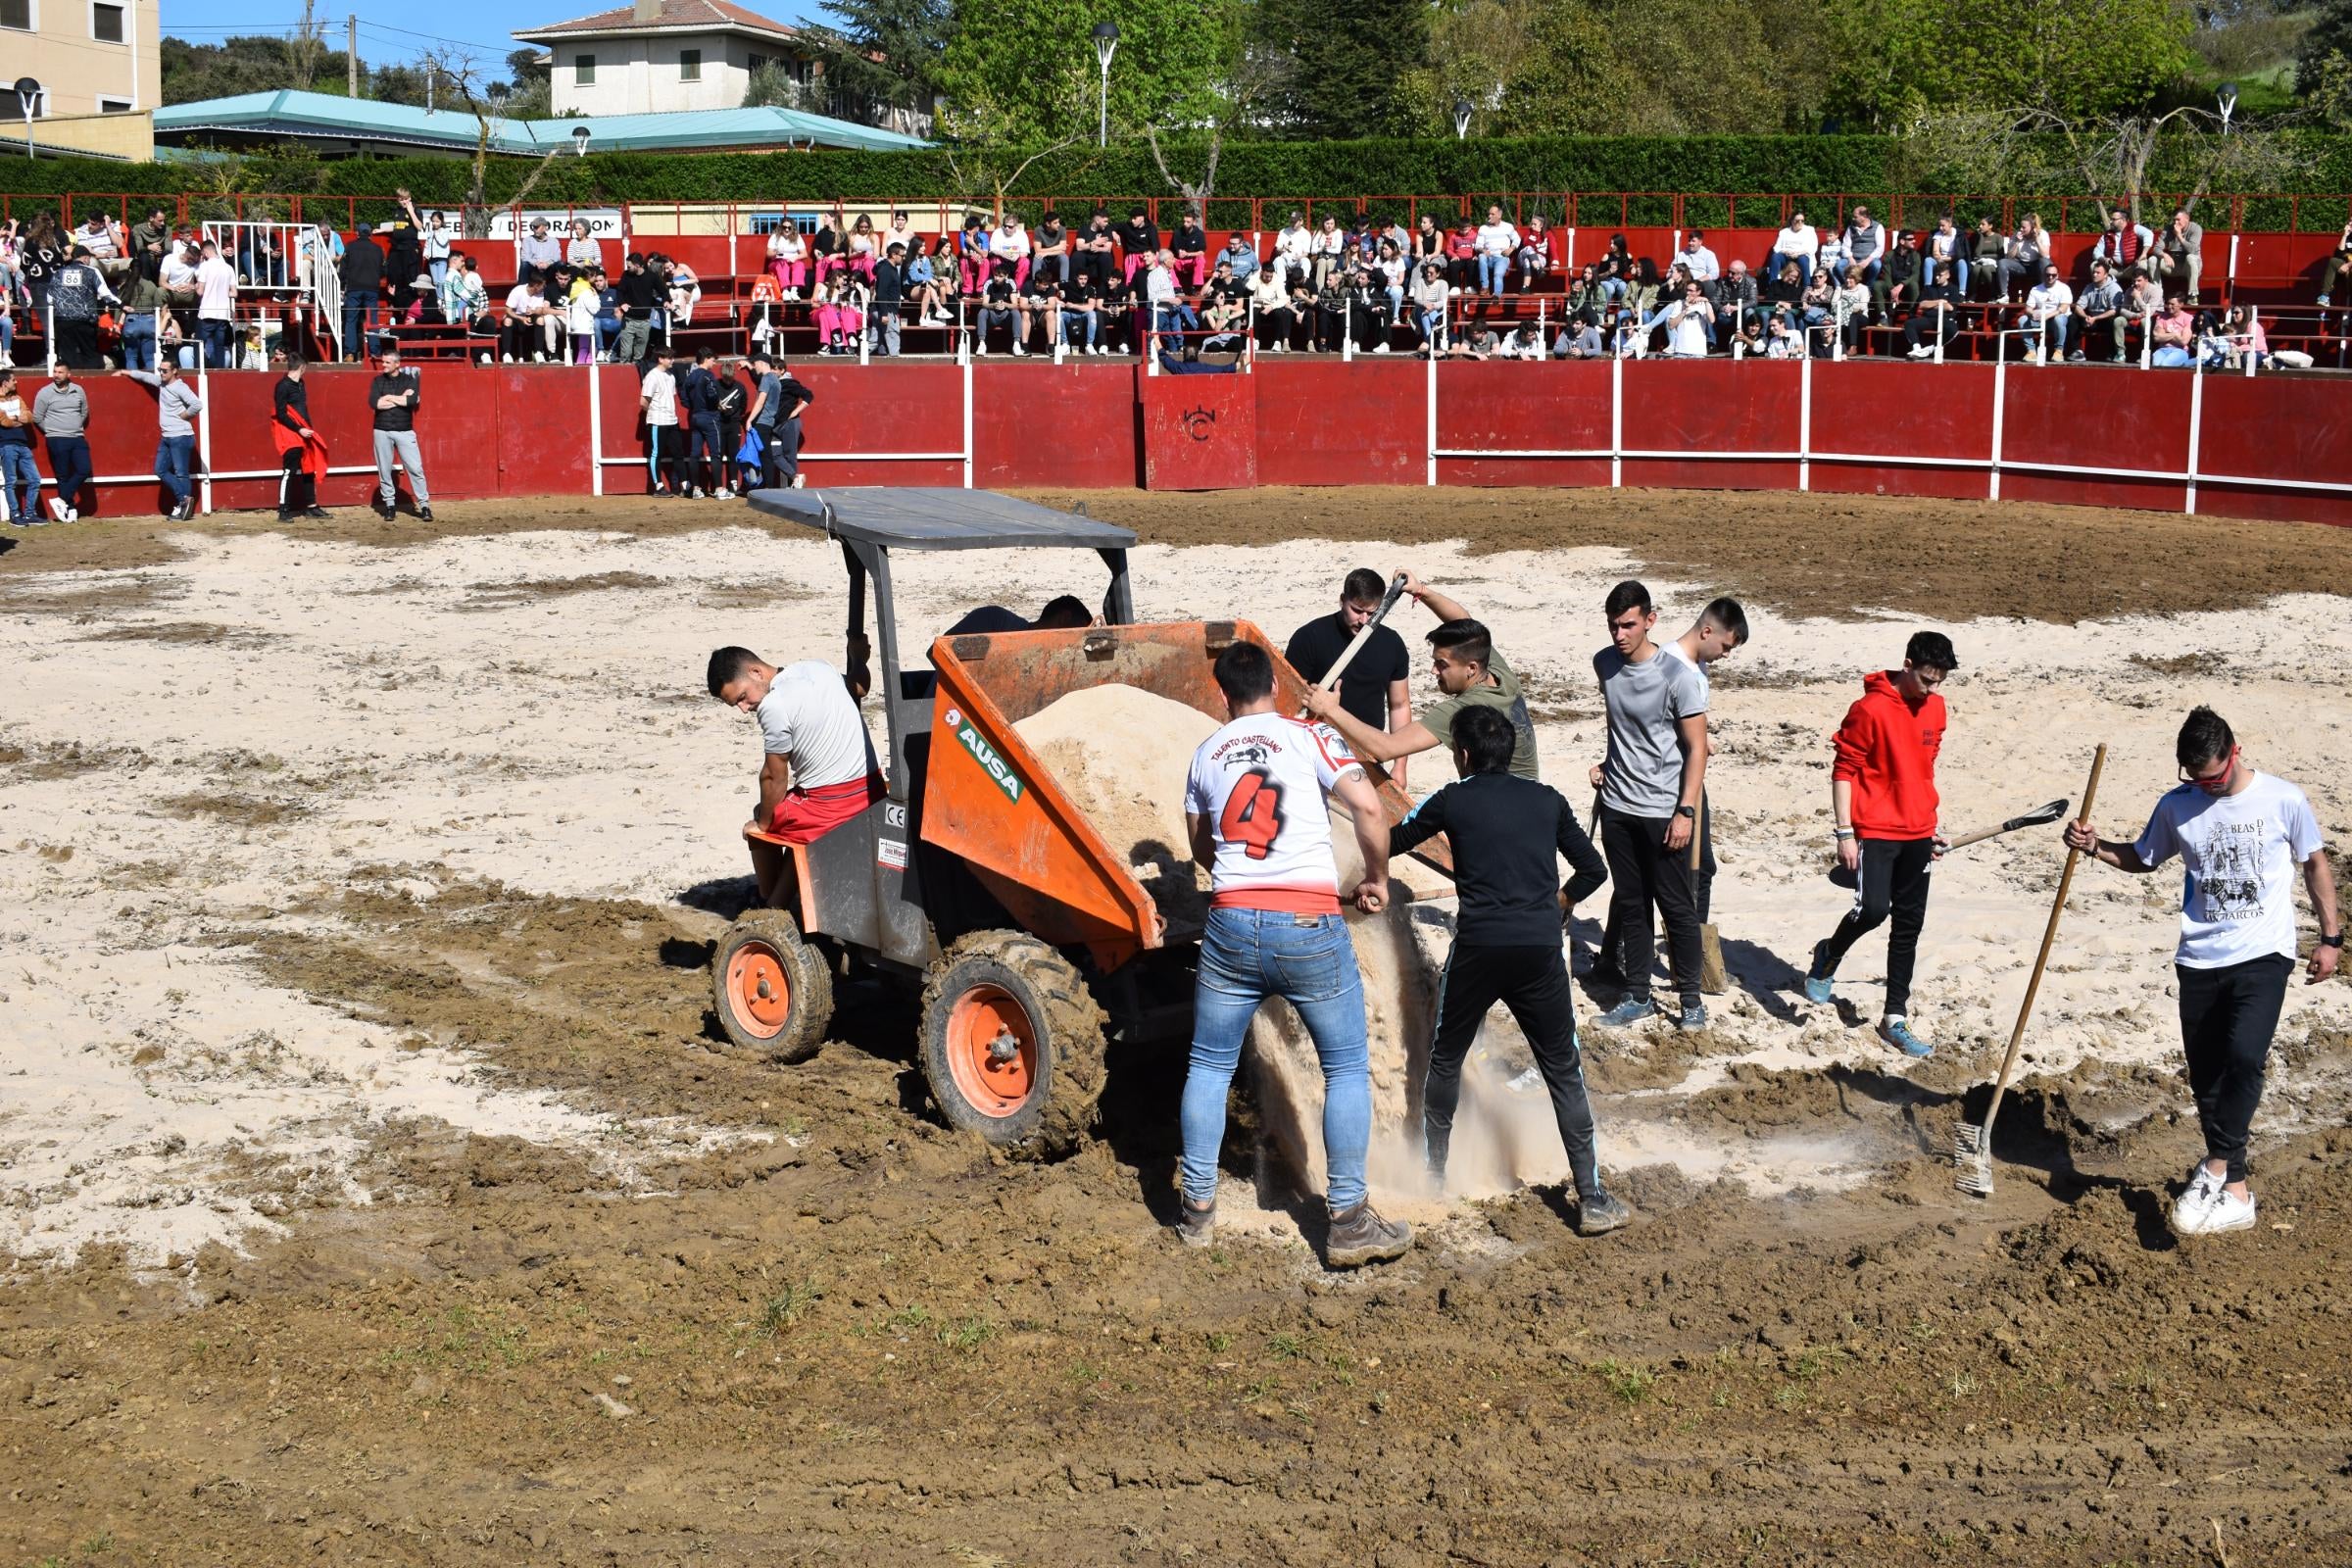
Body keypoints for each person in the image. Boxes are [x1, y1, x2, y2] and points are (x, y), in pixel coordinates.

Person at [1174, 639, 1410, 1268]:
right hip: (1307, 920)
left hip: (1230, 921)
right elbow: (1367, 806)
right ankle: (1349, 1218)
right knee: (1346, 1067)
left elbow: (1202, 842)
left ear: (1222, 695)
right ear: (1275, 689)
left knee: (1209, 1064)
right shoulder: (1308, 737)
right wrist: (1376, 879)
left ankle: (1196, 1209)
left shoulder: (1204, 754)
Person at [2062, 707, 2339, 1237]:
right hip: (2198, 957)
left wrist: (2330, 938)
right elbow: (2145, 858)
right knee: (2208, 1073)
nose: (2206, 788)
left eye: (2213, 778)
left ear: (2234, 753)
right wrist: (2094, 847)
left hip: (2264, 954)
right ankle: (2236, 1192)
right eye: (2195, 779)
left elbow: (2315, 865)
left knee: (2243, 1057)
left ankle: (2213, 1167)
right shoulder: (2177, 805)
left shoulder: (2284, 798)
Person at [1389, 706, 1627, 1234]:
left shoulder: (1453, 800)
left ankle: (1432, 1177)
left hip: (1478, 949)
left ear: (1465, 755)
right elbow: (1594, 869)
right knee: (1563, 1071)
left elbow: (1392, 841)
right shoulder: (1548, 801)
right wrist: (1559, 902)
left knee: (1445, 1059)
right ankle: (1591, 1197)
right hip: (1539, 952)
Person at [1800, 630, 1959, 1057]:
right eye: (1927, 679)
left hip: (1918, 831)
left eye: (1940, 681)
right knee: (1872, 909)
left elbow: (1923, 769)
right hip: (1874, 830)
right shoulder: (1869, 709)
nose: (1932, 689)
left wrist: (1929, 823)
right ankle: (1829, 954)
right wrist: (1844, 833)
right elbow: (1844, 769)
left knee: (1909, 925)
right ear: (1907, 666)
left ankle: (1895, 1018)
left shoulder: (1937, 707)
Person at [1591, 596, 1746, 990]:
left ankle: (1622, 957)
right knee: (1658, 885)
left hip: (1674, 786)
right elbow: (1650, 733)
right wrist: (1687, 805)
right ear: (1707, 631)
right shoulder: (1679, 671)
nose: (1725, 655)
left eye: (1627, 625)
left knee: (1654, 881)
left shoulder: (1697, 666)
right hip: (1671, 792)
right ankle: (1663, 965)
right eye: (1725, 646)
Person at [1587, 581, 1711, 1032]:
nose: (1619, 635)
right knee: (1633, 903)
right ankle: (1638, 995)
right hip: (1617, 805)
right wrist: (1607, 763)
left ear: (1650, 620)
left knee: (1676, 907)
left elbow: (1697, 749)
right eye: (1613, 626)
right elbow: (1623, 729)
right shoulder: (1604, 664)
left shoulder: (1678, 677)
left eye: (1628, 625)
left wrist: (1686, 811)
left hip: (1663, 810)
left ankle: (1691, 1001)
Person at [1301, 569, 1538, 786]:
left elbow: (1386, 748)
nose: (1434, 671)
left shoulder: (1464, 711)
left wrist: (1331, 709)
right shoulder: (1500, 674)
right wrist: (1420, 591)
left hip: (1500, 805)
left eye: (1442, 664)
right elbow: (1464, 622)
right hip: (1535, 797)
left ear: (1471, 668)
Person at [705, 644, 881, 910]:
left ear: (755, 672)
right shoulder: (820, 668)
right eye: (736, 704)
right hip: (872, 791)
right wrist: (859, 660)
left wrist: (762, 825)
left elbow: (774, 776)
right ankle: (779, 901)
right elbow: (861, 687)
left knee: (762, 819)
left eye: (742, 697)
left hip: (833, 807)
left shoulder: (774, 705)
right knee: (791, 819)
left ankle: (769, 901)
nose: (743, 708)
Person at [1285, 568, 1414, 789]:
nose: (1364, 621)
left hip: (1369, 754)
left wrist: (1399, 766)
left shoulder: (1392, 644)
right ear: (1342, 600)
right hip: (1315, 755)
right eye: (1357, 610)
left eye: (1372, 614)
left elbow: (1399, 706)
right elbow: (1287, 703)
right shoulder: (1309, 637)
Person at [116, 360, 204, 520]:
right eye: (160, 370)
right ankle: (184, 500)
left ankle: (183, 505)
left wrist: (185, 415)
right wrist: (124, 372)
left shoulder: (180, 387)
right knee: (160, 470)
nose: (161, 373)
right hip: (168, 436)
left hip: (181, 436)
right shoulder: (161, 382)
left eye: (165, 371)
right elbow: (144, 376)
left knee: (181, 473)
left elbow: (197, 404)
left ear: (175, 371)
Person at [368, 342, 431, 522]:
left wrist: (387, 398)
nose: (384, 365)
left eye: (387, 362)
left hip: (404, 430)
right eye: (383, 362)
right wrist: (399, 399)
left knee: (415, 468)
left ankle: (424, 505)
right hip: (382, 430)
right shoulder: (378, 381)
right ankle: (390, 506)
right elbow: (375, 403)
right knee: (384, 470)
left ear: (397, 364)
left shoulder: (409, 380)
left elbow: (411, 401)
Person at [270, 355, 329, 523]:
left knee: (308, 468)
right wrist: (299, 429)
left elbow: (302, 409)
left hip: (304, 431)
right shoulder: (282, 386)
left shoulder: (301, 384)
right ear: (302, 367)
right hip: (291, 433)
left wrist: (307, 428)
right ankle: (283, 510)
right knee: (289, 471)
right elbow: (281, 414)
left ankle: (311, 506)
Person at [745, 351, 810, 490]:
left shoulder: (789, 383)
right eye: (772, 368)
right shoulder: (773, 380)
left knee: (789, 454)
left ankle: (793, 484)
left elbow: (808, 395)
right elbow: (759, 377)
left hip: (788, 423)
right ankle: (794, 477)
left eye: (776, 369)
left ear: (782, 371)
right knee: (774, 454)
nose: (773, 371)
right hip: (775, 425)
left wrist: (795, 411)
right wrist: (749, 366)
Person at [640, 346, 682, 498]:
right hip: (658, 420)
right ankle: (658, 486)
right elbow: (643, 401)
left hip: (671, 420)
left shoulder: (671, 376)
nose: (673, 360)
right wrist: (654, 413)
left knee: (678, 452)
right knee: (656, 453)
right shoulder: (652, 376)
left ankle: (683, 484)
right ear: (660, 359)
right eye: (669, 358)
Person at [0, 369, 38, 527]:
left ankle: (29, 514)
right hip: (6, 444)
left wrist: (14, 418)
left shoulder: (18, 398)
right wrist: (17, 418)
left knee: (35, 479)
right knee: (11, 481)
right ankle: (15, 514)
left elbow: (29, 416)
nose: (16, 382)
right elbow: (4, 422)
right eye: (13, 380)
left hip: (23, 444)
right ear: (5, 383)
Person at [340, 230, 384, 363]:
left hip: (354, 288)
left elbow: (343, 268)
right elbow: (384, 270)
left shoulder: (349, 246)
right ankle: (374, 352)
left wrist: (342, 284)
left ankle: (350, 353)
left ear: (358, 234)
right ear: (370, 234)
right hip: (372, 289)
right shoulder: (378, 249)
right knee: (372, 321)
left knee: (351, 320)